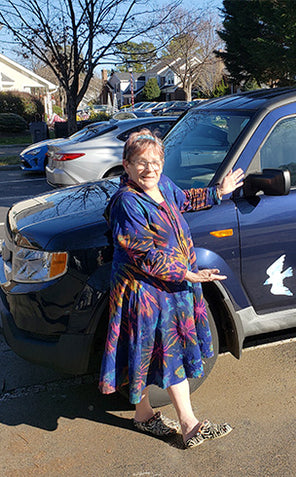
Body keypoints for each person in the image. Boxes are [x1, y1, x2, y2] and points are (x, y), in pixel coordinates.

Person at [98, 128, 244, 449]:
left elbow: (184, 199)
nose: (149, 169)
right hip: (146, 294)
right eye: (140, 162)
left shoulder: (162, 185)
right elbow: (143, 254)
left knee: (148, 356)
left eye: (155, 161)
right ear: (126, 165)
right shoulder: (127, 203)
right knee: (166, 354)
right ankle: (189, 426)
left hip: (167, 290)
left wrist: (218, 192)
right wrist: (189, 275)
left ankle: (144, 415)